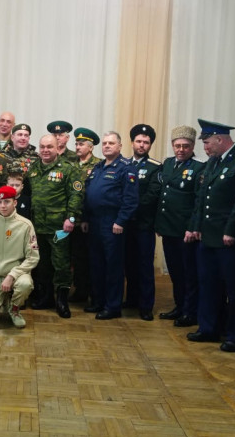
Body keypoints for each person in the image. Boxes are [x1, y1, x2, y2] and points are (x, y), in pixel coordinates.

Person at [185, 119, 235, 352]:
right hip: (207, 236)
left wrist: (230, 230)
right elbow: (201, 198)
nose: (205, 148)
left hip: (227, 238)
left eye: (207, 143)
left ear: (220, 139)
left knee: (234, 291)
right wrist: (195, 226)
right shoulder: (213, 162)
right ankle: (208, 328)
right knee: (208, 285)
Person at [82, 132, 139, 319]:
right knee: (96, 264)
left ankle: (112, 306)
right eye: (105, 143)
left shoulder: (126, 168)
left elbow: (131, 200)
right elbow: (89, 195)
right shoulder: (98, 167)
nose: (107, 146)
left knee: (113, 266)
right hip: (94, 222)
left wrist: (121, 221)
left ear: (120, 146)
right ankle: (98, 302)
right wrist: (85, 218)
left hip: (112, 222)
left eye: (111, 143)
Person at [26, 134, 83, 318]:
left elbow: (76, 195)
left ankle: (62, 300)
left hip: (59, 227)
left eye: (49, 146)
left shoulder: (68, 169)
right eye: (42, 146)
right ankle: (47, 297)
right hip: (38, 226)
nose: (45, 150)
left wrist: (71, 218)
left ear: (58, 148)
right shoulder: (33, 168)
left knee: (61, 264)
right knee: (42, 264)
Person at [154, 125, 205, 327]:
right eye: (177, 146)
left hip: (185, 230)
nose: (181, 150)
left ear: (192, 147)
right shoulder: (167, 164)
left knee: (188, 273)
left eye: (185, 146)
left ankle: (190, 311)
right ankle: (179, 306)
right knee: (175, 271)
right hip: (168, 228)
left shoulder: (199, 168)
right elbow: (162, 195)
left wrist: (192, 227)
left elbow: (198, 201)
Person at [0, 186, 39, 328]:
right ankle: (3, 300)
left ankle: (14, 308)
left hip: (17, 275)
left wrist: (12, 275)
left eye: (7, 202)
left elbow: (33, 257)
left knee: (25, 284)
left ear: (15, 203)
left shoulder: (25, 225)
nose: (3, 206)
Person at [124, 124, 162, 321]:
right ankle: (131, 299)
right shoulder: (123, 164)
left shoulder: (155, 167)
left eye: (146, 142)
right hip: (125, 224)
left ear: (150, 145)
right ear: (132, 143)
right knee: (128, 263)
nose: (141, 145)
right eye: (138, 141)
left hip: (143, 224)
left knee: (145, 265)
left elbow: (152, 196)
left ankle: (146, 305)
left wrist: (128, 209)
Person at [70, 127, 102, 303]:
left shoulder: (99, 165)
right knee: (76, 257)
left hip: (89, 218)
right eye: (76, 144)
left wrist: (86, 218)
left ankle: (92, 291)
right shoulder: (71, 163)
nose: (77, 147)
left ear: (90, 147)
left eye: (81, 144)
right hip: (71, 218)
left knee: (90, 257)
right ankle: (79, 290)